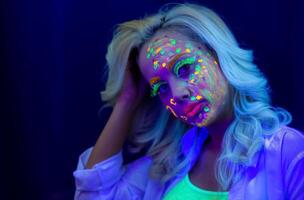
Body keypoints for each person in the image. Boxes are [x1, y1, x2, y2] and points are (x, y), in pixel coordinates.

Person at [73, 3, 304, 200]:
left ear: (217, 54)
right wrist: (127, 100)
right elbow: (94, 195)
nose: (177, 93)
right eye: (161, 87)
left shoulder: (287, 151)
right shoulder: (170, 163)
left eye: (184, 68)